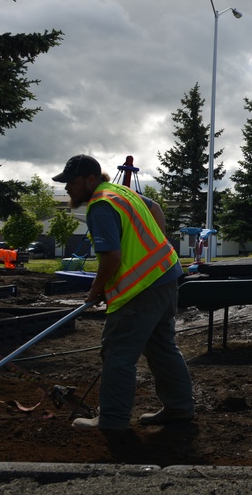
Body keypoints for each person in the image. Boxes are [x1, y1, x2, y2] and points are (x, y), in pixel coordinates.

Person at [53, 154, 194, 430]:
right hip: (166, 277)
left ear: (90, 180)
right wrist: (156, 247)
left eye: (72, 182)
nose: (67, 187)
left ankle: (112, 419)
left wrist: (96, 290)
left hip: (140, 290)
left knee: (117, 353)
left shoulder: (100, 205)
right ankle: (180, 407)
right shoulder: (120, 192)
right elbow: (156, 210)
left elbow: (112, 258)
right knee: (162, 348)